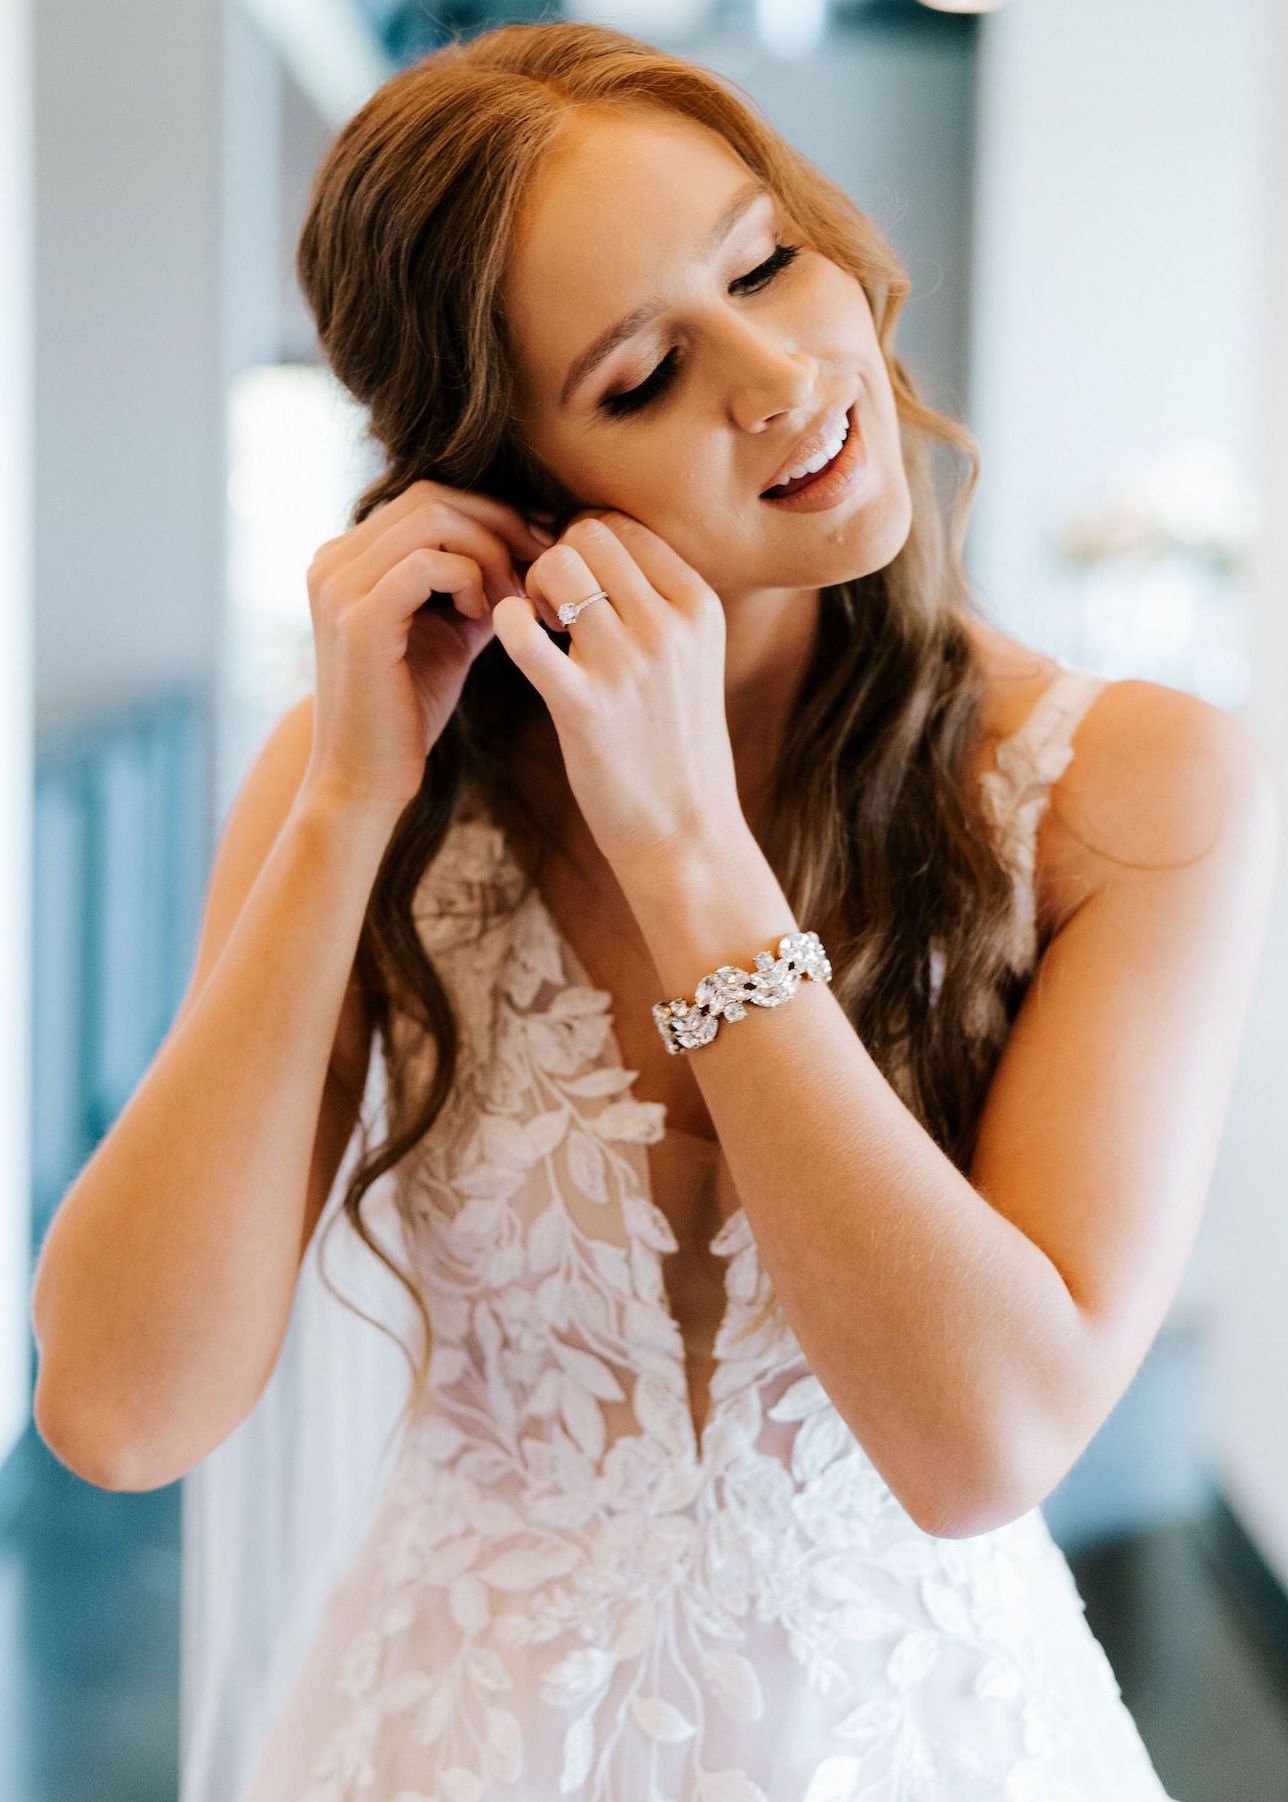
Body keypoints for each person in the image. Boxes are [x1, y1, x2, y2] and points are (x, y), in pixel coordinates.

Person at [29, 19, 1277, 1802]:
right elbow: (118, 1407)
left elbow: (980, 1439)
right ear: (511, 483)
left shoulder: (1130, 792)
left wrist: (690, 848)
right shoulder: (370, 786)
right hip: (444, 1742)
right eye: (642, 377)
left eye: (767, 258)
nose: (781, 373)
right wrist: (345, 804)